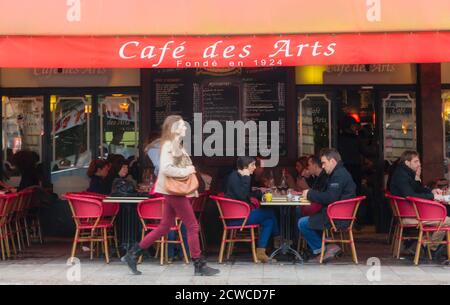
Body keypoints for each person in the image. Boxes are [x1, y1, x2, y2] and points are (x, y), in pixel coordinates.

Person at [121, 115, 219, 276]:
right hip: (174, 191)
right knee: (193, 226)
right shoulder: (168, 145)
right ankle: (199, 264)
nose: (185, 128)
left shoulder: (176, 145)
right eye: (182, 125)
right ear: (174, 128)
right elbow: (165, 168)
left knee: (164, 226)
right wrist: (186, 171)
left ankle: (132, 254)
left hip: (172, 190)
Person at [298, 148, 356, 263]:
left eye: (324, 163)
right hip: (335, 214)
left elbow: (330, 197)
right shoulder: (338, 173)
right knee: (309, 217)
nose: (323, 166)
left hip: (337, 217)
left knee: (302, 223)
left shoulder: (338, 175)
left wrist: (309, 194)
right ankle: (327, 247)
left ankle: (323, 250)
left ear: (333, 162)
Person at [389, 150, 450, 258]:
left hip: (411, 212)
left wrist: (431, 192)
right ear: (407, 163)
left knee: (443, 217)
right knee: (447, 220)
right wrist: (433, 197)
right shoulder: (402, 176)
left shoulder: (404, 173)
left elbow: (417, 189)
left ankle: (423, 244)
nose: (419, 164)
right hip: (410, 215)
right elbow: (411, 196)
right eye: (416, 161)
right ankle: (431, 247)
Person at [225, 156, 281, 263]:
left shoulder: (237, 176)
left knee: (268, 221)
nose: (255, 168)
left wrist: (260, 193)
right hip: (238, 217)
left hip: (241, 214)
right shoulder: (235, 177)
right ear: (245, 167)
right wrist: (246, 178)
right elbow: (242, 196)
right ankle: (278, 238)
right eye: (253, 165)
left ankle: (261, 252)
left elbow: (246, 194)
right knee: (270, 212)